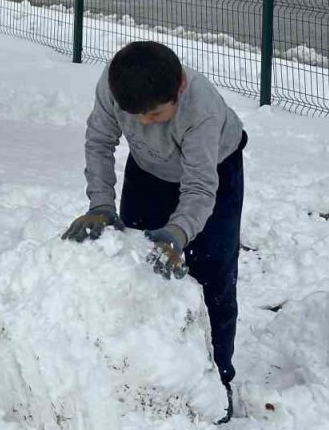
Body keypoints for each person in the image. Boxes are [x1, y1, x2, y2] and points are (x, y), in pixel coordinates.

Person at [63, 41, 246, 422]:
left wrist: (179, 232)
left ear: (178, 88)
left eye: (155, 114)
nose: (144, 122)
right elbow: (99, 142)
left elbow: (199, 188)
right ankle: (142, 369)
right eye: (136, 116)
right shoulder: (116, 86)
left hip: (214, 173)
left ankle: (216, 380)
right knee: (138, 267)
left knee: (212, 276)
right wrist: (100, 205)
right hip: (148, 170)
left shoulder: (201, 110)